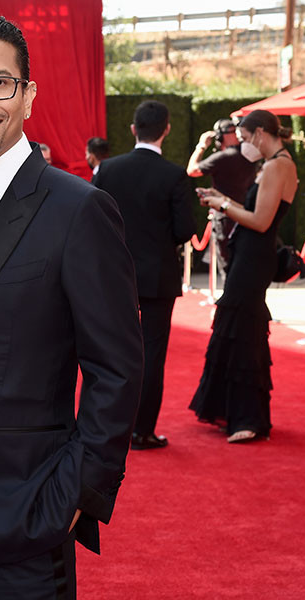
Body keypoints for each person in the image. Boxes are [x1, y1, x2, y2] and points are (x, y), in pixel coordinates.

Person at [0, 15, 143, 599]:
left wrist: (75, 493)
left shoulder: (79, 209)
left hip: (26, 514)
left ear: (28, 95)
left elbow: (117, 369)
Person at [189, 109, 297, 443]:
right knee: (238, 327)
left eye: (246, 138)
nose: (243, 144)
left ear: (261, 133)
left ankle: (248, 418)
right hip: (250, 256)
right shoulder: (275, 164)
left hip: (254, 259)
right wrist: (221, 199)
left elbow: (261, 221)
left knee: (243, 330)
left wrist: (222, 206)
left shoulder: (278, 166)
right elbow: (255, 213)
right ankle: (237, 412)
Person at [93, 100, 195, 451]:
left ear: (133, 129)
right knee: (152, 354)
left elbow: (93, 222)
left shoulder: (108, 170)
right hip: (158, 276)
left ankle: (103, 427)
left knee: (107, 350)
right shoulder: (174, 175)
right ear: (166, 130)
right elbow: (184, 230)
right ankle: (142, 431)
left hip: (113, 275)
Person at [187, 118, 259, 272]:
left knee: (228, 267)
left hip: (225, 218)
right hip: (247, 216)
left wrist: (201, 145)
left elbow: (192, 170)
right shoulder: (251, 156)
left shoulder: (222, 157)